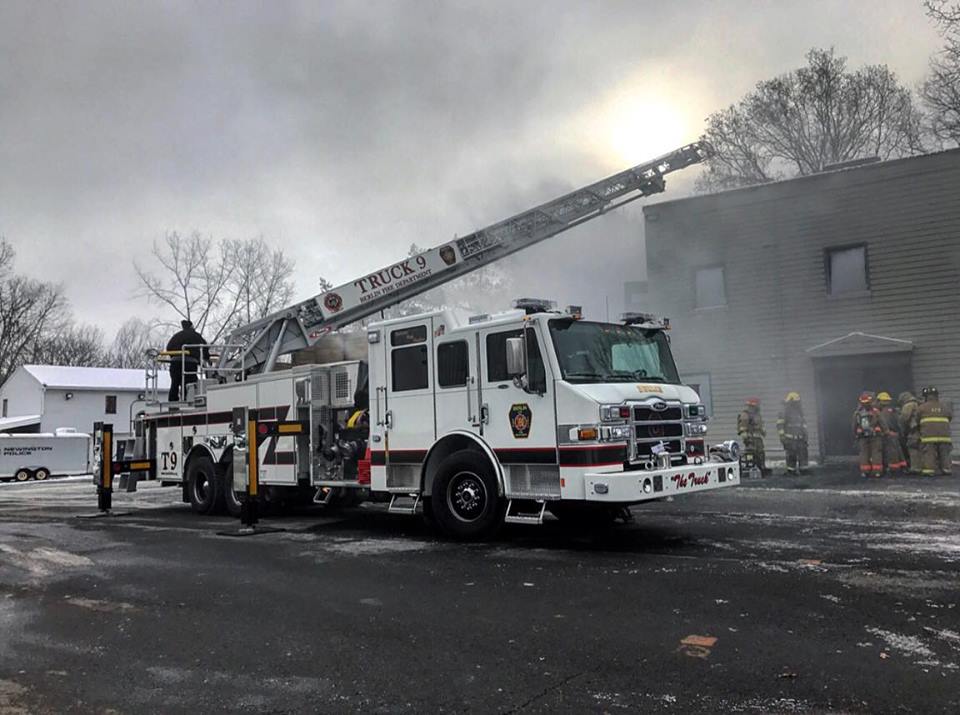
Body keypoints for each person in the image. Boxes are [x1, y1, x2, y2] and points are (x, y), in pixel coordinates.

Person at [166, 319, 209, 402]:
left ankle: (172, 401)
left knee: (175, 383)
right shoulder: (196, 336)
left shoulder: (176, 336)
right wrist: (206, 357)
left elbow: (169, 348)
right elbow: (204, 347)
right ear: (191, 326)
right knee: (189, 383)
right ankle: (187, 399)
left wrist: (174, 356)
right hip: (190, 363)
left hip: (175, 363)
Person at [917, 386, 953, 476]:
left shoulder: (922, 407)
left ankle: (929, 471)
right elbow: (950, 417)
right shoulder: (944, 407)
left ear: (926, 396)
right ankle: (946, 469)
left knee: (929, 453)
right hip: (944, 436)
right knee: (944, 453)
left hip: (928, 436)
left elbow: (917, 419)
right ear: (937, 396)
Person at [777, 392, 808, 475]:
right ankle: (791, 471)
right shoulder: (784, 412)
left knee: (803, 454)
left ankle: (804, 470)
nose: (797, 404)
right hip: (790, 438)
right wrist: (782, 437)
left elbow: (804, 424)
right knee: (791, 455)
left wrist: (805, 435)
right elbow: (780, 425)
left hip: (800, 438)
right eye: (796, 402)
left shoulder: (800, 411)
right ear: (791, 402)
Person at [853, 391, 883, 478]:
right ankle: (877, 472)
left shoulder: (857, 413)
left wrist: (855, 434)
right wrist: (886, 432)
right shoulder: (875, 412)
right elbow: (882, 423)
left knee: (864, 453)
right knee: (876, 453)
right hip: (875, 436)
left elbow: (854, 425)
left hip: (862, 436)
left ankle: (865, 472)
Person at [876, 391, 906, 476]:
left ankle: (893, 469)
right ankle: (902, 467)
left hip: (887, 434)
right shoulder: (893, 411)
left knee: (890, 452)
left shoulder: (881, 412)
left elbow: (883, 424)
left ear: (880, 401)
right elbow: (899, 423)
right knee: (898, 451)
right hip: (894, 434)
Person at [738, 397, 767, 476]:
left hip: (758, 438)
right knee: (751, 453)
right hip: (750, 438)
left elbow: (760, 425)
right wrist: (746, 438)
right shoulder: (745, 415)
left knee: (760, 453)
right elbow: (742, 427)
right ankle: (751, 468)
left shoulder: (757, 415)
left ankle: (761, 467)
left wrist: (763, 431)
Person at [898, 391, 922, 475]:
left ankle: (915, 468)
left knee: (913, 447)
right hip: (923, 429)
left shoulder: (908, 405)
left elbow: (904, 419)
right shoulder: (919, 403)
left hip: (914, 429)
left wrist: (902, 430)